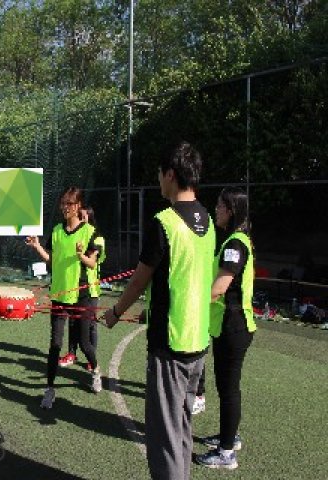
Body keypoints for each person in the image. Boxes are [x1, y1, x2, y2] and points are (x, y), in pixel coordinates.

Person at [101, 141, 215, 480]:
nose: (159, 180)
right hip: (198, 341)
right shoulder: (208, 220)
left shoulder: (165, 222)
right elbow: (184, 277)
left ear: (171, 174)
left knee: (165, 437)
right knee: (181, 428)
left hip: (171, 344)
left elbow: (139, 281)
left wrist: (115, 312)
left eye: (160, 174)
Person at [195, 187, 256, 470]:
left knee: (229, 389)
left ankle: (227, 453)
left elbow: (219, 288)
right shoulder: (235, 240)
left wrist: (189, 304)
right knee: (226, 387)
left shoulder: (235, 244)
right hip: (230, 326)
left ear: (230, 210)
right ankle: (229, 437)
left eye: (219, 206)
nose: (215, 210)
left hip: (234, 326)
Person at [26, 187, 102, 409]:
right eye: (62, 204)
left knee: (85, 344)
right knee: (55, 344)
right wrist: (37, 246)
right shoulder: (57, 231)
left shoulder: (89, 231)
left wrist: (80, 256)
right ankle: (49, 389)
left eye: (68, 204)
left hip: (81, 296)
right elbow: (52, 261)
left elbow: (92, 263)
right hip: (59, 295)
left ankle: (96, 371)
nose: (64, 208)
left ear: (78, 206)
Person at [59, 206, 106, 372]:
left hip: (91, 289)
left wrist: (80, 254)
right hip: (75, 287)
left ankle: (91, 359)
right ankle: (71, 353)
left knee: (90, 325)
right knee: (73, 321)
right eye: (79, 216)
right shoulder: (76, 235)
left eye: (83, 217)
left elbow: (93, 261)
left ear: (90, 218)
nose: (80, 219)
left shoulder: (97, 238)